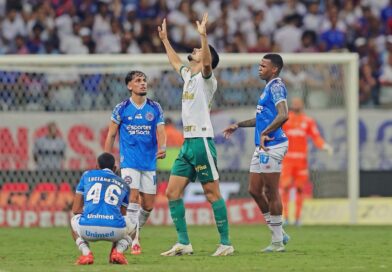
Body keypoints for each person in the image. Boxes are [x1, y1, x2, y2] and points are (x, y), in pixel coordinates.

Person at [158, 13, 234, 257]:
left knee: (212, 194)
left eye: (200, 49)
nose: (194, 49)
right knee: (172, 192)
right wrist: (165, 41)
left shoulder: (206, 79)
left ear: (206, 57)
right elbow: (174, 63)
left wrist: (203, 36)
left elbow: (208, 64)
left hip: (201, 141)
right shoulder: (189, 77)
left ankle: (226, 243)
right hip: (188, 144)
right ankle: (184, 243)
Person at [223, 53, 290, 252]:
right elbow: (260, 119)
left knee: (271, 191)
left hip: (273, 144)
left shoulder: (277, 86)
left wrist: (266, 133)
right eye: (259, 65)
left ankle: (277, 241)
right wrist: (238, 125)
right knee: (254, 190)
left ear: (274, 69)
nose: (259, 68)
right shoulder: (267, 88)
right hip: (261, 145)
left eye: (263, 65)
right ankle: (280, 232)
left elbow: (283, 114)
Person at [104, 70, 167, 255]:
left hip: (148, 162)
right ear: (129, 86)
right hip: (129, 161)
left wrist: (163, 146)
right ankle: (134, 240)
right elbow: (111, 134)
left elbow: (161, 130)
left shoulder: (155, 107)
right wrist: (106, 161)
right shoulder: (121, 108)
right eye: (138, 81)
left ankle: (130, 232)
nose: (143, 83)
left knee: (148, 205)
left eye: (144, 80)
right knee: (133, 198)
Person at [70, 152, 136, 265]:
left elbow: (76, 209)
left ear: (96, 166)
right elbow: (122, 215)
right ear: (114, 168)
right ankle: (118, 252)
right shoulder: (124, 184)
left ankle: (86, 254)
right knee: (133, 223)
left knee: (74, 220)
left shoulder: (87, 175)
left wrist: (91, 213)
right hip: (115, 231)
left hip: (88, 230)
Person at [280, 97, 333, 226]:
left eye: (298, 103)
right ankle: (285, 217)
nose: (296, 104)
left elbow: (316, 137)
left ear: (303, 105)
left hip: (302, 161)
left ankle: (297, 218)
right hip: (287, 159)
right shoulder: (285, 120)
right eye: (294, 103)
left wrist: (324, 146)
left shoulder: (308, 121)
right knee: (285, 187)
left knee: (299, 189)